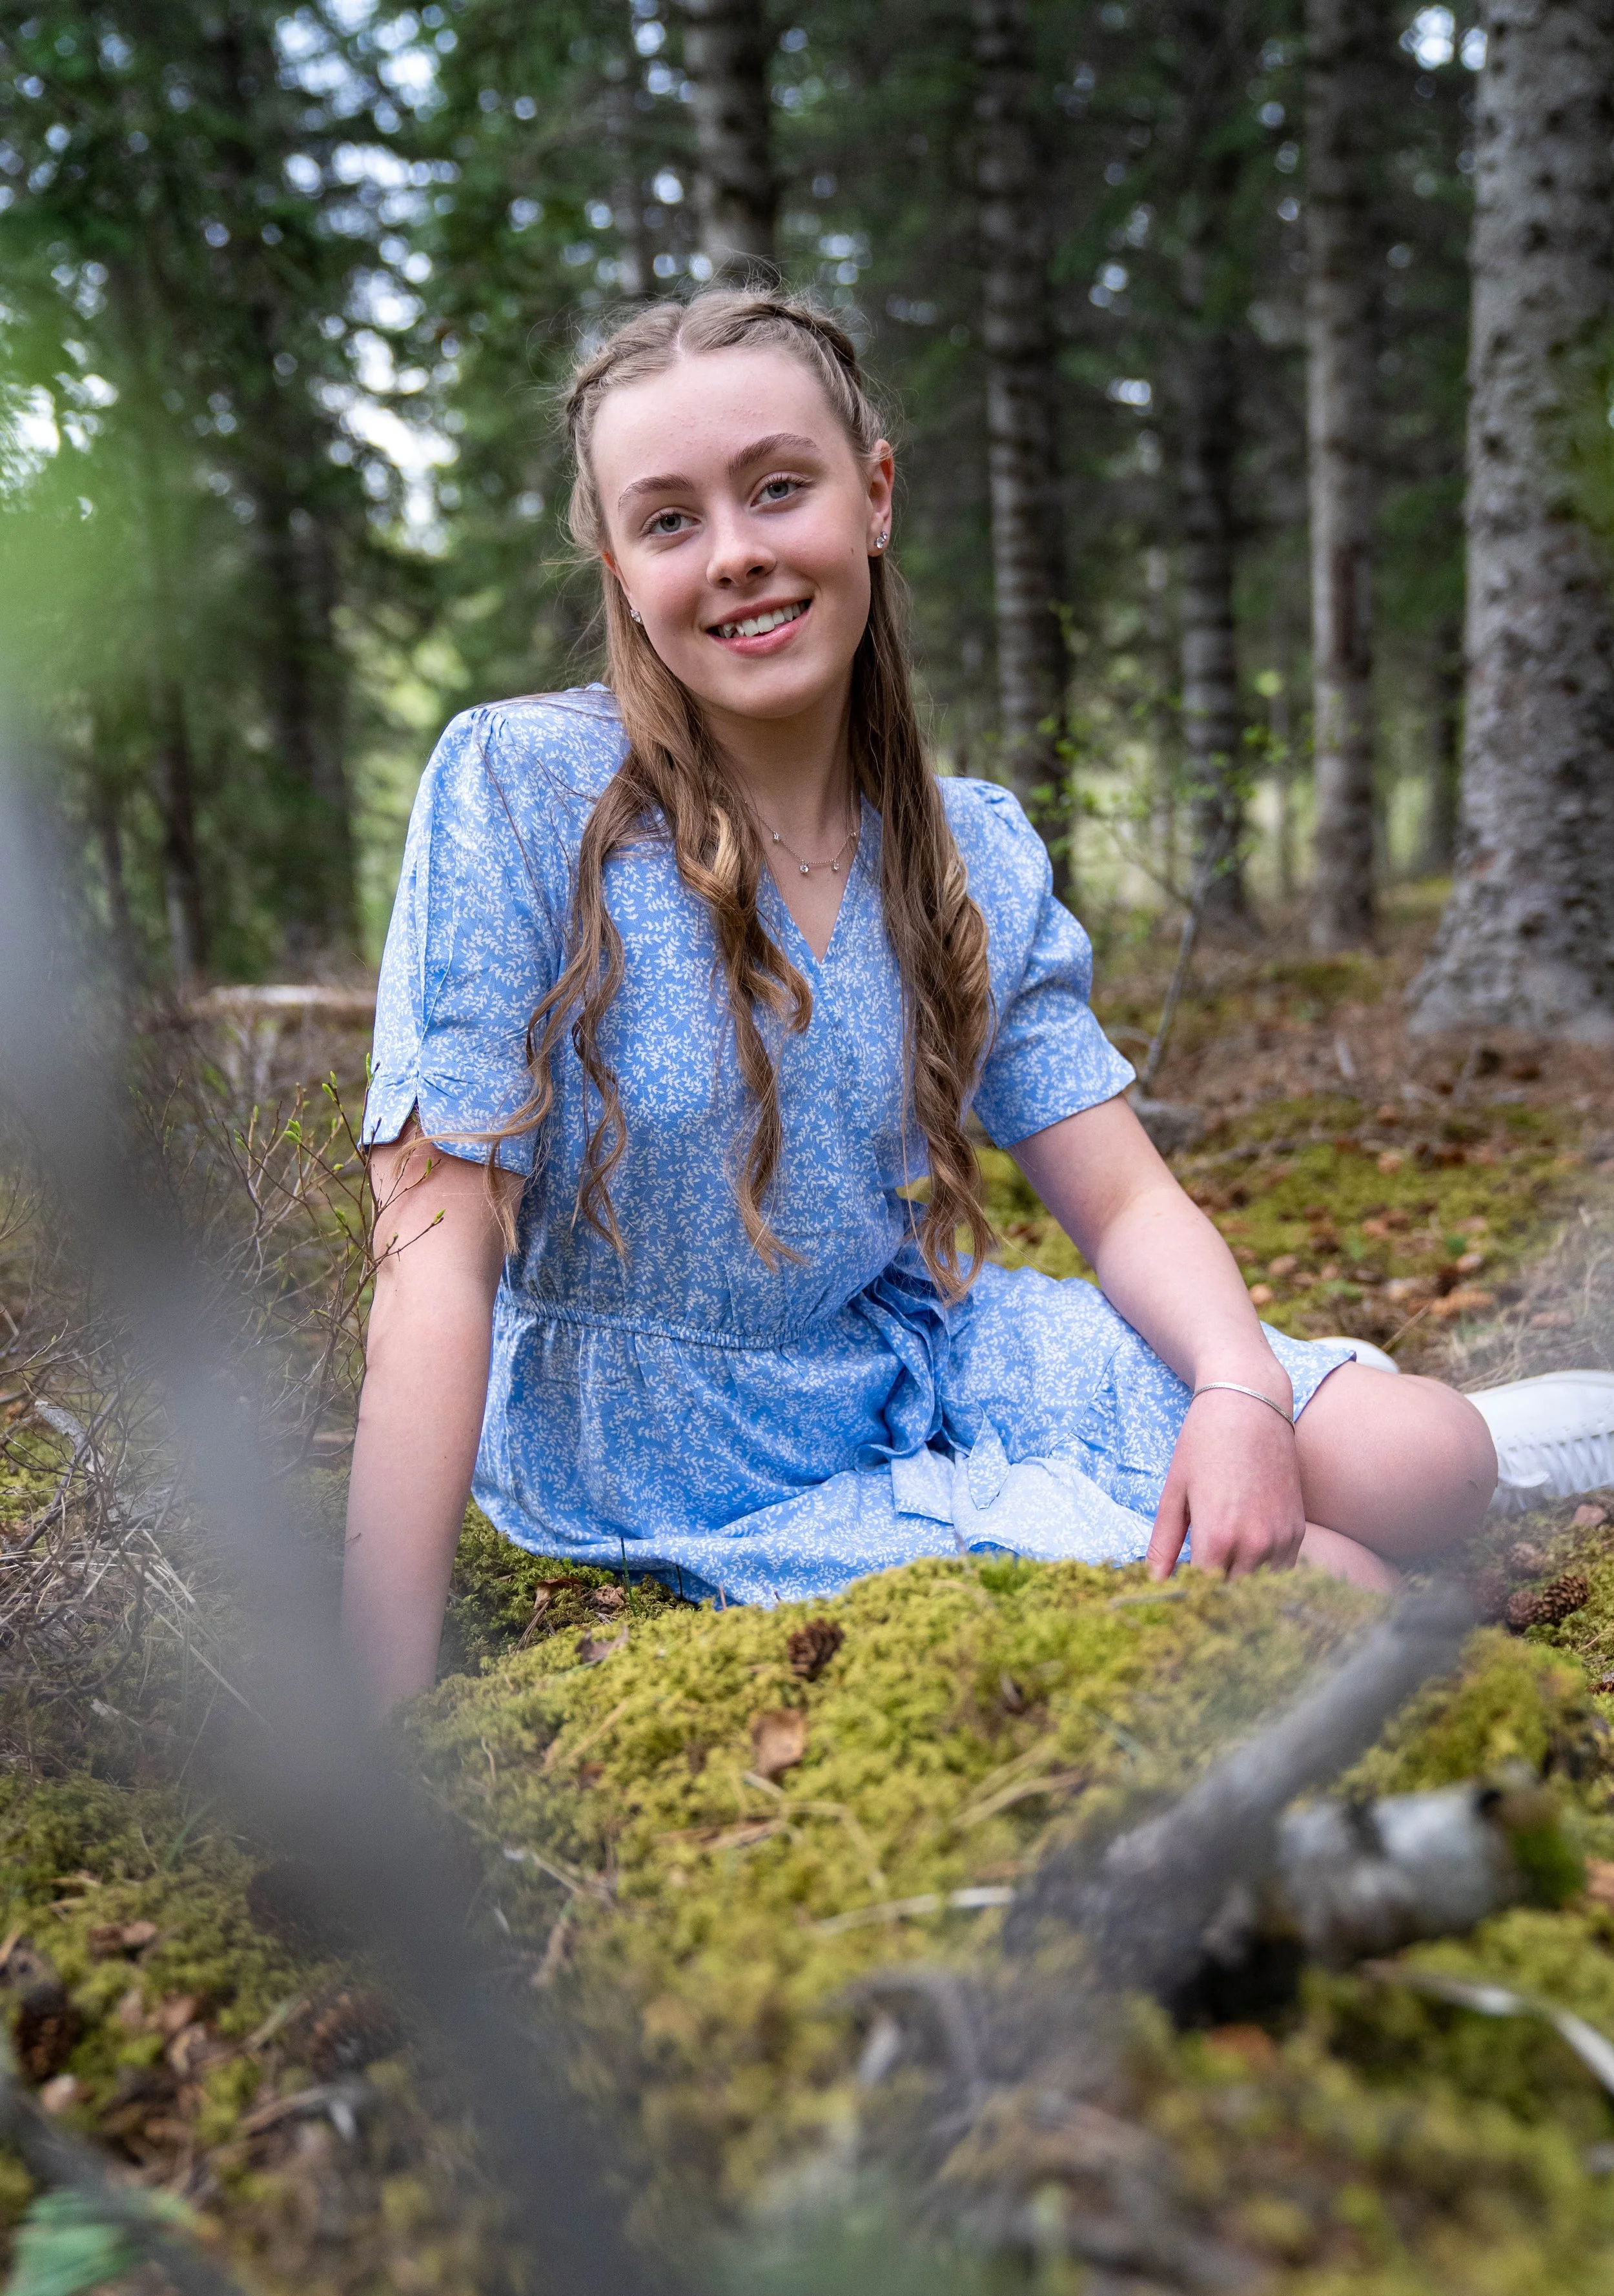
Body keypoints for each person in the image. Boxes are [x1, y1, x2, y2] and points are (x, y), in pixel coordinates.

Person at [342, 289, 1499, 1716]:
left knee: (1430, 1461)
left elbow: (1124, 1202)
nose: (737, 555)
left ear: (872, 494)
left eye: (777, 489)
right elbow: (435, 1256)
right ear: (617, 565)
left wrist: (1236, 1394)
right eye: (668, 520)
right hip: (677, 1441)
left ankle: (1150, 1451)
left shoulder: (967, 848)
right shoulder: (518, 795)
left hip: (907, 1345)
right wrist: (373, 1720)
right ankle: (1037, 1511)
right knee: (1343, 1606)